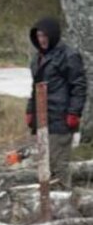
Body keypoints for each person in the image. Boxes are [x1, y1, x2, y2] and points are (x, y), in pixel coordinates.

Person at [26, 17, 87, 189]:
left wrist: (74, 113)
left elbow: (79, 86)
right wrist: (30, 111)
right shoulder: (37, 58)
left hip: (61, 117)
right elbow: (35, 87)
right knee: (45, 162)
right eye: (38, 35)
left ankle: (64, 200)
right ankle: (49, 201)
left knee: (59, 163)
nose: (42, 39)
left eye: (45, 35)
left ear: (53, 35)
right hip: (42, 117)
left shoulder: (69, 55)